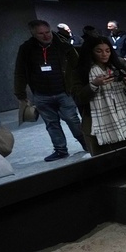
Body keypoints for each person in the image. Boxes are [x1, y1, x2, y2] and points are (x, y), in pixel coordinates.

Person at [13, 19, 86, 161]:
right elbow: (20, 71)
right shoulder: (26, 49)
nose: (46, 36)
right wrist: (20, 93)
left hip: (64, 92)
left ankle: (87, 144)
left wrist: (79, 86)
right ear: (33, 34)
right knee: (51, 124)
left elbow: (77, 66)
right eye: (41, 34)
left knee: (72, 119)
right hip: (41, 94)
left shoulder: (63, 46)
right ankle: (60, 150)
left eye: (47, 32)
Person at [73, 37, 126, 155]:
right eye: (99, 51)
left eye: (107, 50)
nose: (104, 54)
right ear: (91, 52)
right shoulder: (82, 72)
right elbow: (78, 99)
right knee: (105, 165)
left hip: (125, 122)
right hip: (96, 126)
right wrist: (94, 84)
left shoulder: (120, 69)